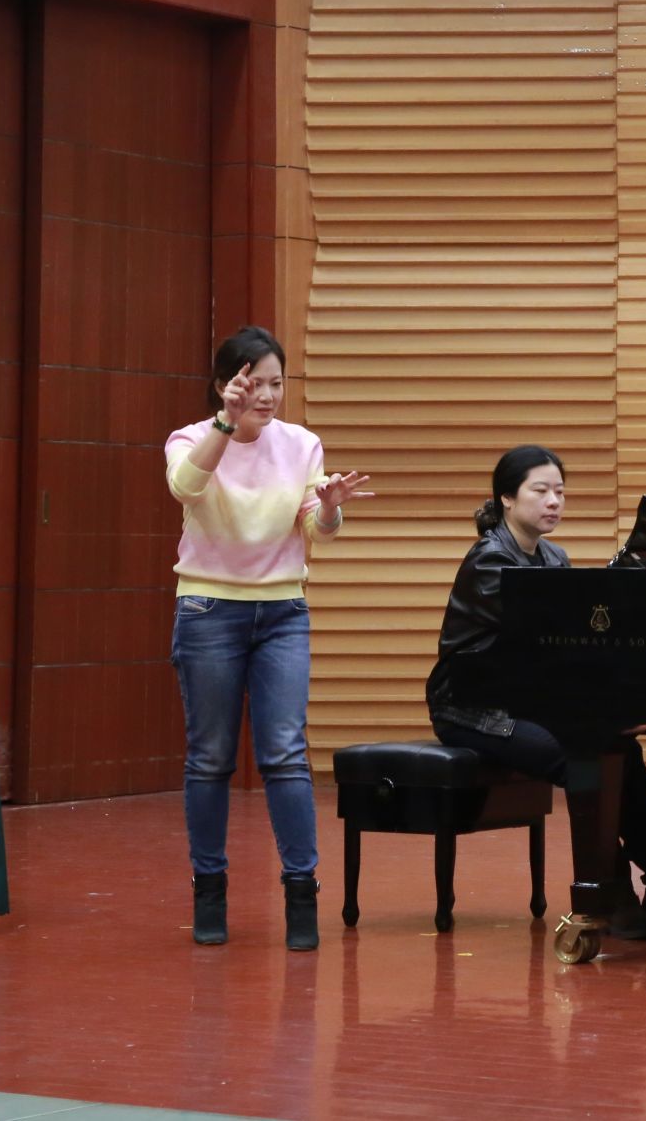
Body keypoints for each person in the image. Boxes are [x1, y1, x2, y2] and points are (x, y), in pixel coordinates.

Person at [164, 325, 372, 950]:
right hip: (209, 608)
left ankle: (301, 892)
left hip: (282, 610)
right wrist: (224, 427)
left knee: (284, 753)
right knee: (210, 757)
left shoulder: (302, 444)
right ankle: (209, 887)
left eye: (276, 384)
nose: (267, 395)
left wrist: (329, 506)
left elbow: (316, 529)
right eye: (253, 383)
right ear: (225, 384)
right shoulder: (191, 438)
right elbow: (185, 487)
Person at [425, 445, 646, 936]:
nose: (553, 501)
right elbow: (542, 644)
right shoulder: (490, 561)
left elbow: (571, 648)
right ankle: (609, 894)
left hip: (529, 699)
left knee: (621, 751)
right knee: (583, 759)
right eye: (541, 490)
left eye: (560, 492)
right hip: (472, 708)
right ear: (506, 498)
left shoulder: (552, 556)